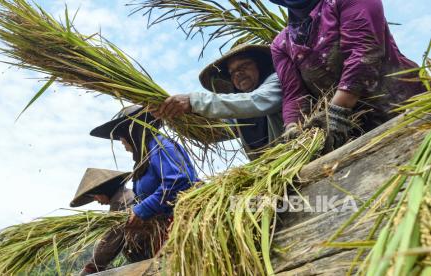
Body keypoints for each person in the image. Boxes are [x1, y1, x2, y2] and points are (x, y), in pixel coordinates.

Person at [270, 0, 426, 152]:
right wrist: (292, 127)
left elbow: (364, 53)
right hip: (357, 135)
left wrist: (337, 112)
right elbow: (295, 94)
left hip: (406, 107)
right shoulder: (281, 44)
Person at [78, 105, 198, 275]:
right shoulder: (144, 159)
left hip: (180, 229)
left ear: (132, 133)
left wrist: (142, 210)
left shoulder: (160, 145)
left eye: (121, 137)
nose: (121, 143)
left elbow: (178, 181)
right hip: (161, 235)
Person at [154, 44, 287, 160]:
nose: (238, 74)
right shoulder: (238, 115)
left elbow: (255, 101)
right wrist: (174, 118)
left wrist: (194, 101)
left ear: (260, 64)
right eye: (232, 72)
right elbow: (214, 132)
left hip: (292, 155)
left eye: (244, 65)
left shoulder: (276, 81)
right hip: (268, 171)